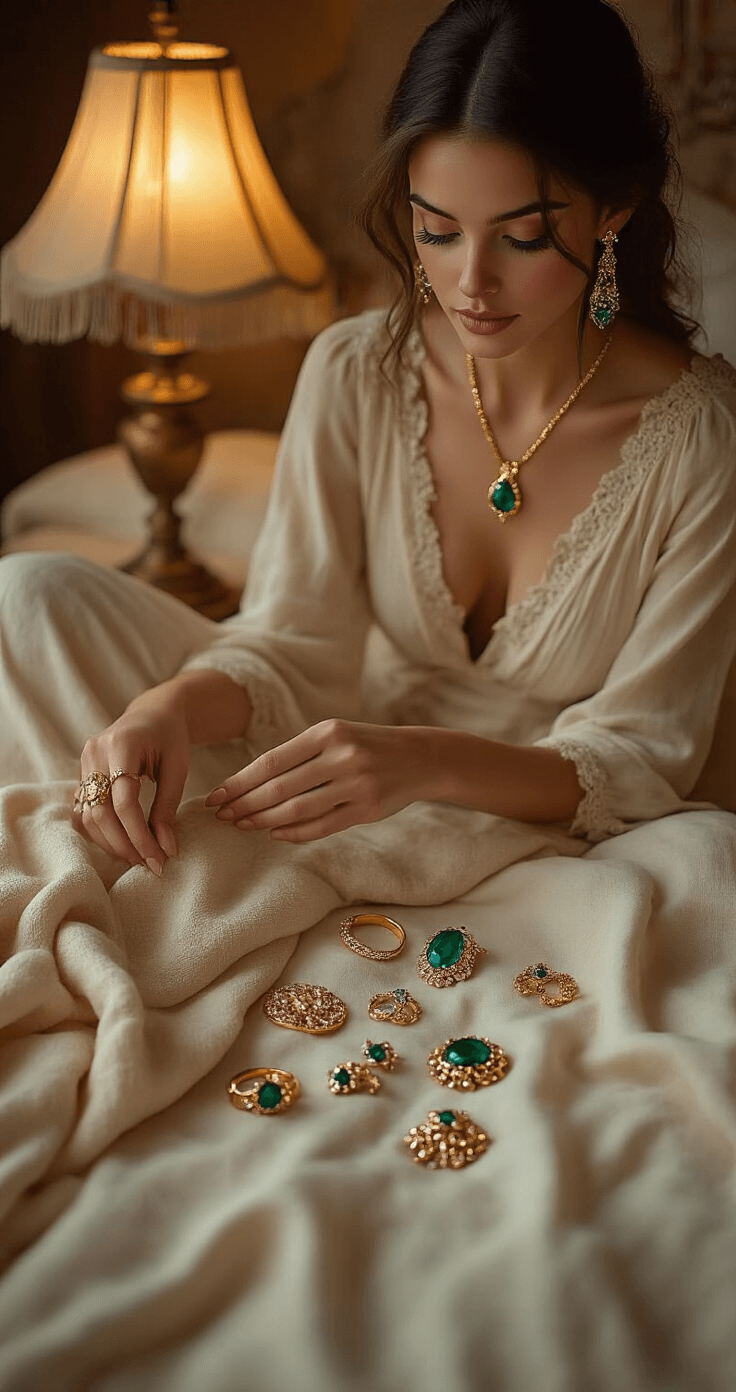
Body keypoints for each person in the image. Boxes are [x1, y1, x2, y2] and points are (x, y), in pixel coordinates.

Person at [1, 4, 736, 1383]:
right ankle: (188, 817)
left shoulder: (703, 442)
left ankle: (240, 873)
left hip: (536, 813)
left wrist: (419, 761)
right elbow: (291, 645)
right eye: (433, 226)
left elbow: (645, 753)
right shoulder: (353, 367)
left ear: (617, 208)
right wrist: (176, 709)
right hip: (326, 742)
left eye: (523, 231)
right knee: (31, 598)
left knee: (712, 876)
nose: (466, 280)